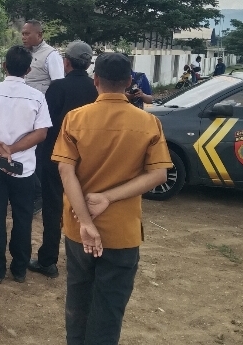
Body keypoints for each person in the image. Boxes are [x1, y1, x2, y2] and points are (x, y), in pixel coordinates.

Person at [52, 52, 172, 344]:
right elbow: (159, 175)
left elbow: (66, 172)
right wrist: (108, 197)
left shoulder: (75, 119)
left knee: (78, 301)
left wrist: (85, 222)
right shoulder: (148, 123)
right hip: (122, 233)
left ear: (96, 80)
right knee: (109, 309)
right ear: (129, 81)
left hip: (79, 230)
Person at [0, 46, 52, 283]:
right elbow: (41, 133)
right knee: (23, 217)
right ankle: (19, 269)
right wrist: (13, 150)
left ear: (4, 66)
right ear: (28, 70)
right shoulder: (37, 96)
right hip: (24, 168)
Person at [29, 41, 98, 279]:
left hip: (56, 158)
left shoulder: (57, 88)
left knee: (53, 209)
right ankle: (86, 258)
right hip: (87, 159)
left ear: (66, 62)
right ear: (88, 64)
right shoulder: (96, 89)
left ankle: (48, 260)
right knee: (86, 208)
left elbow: (46, 124)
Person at [21, 19, 65, 214]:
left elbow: (57, 86)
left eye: (27, 34)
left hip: (41, 114)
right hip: (25, 113)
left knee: (38, 154)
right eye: (23, 33)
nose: (23, 37)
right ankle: (30, 191)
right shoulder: (26, 54)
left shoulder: (50, 55)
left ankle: (38, 196)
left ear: (39, 35)